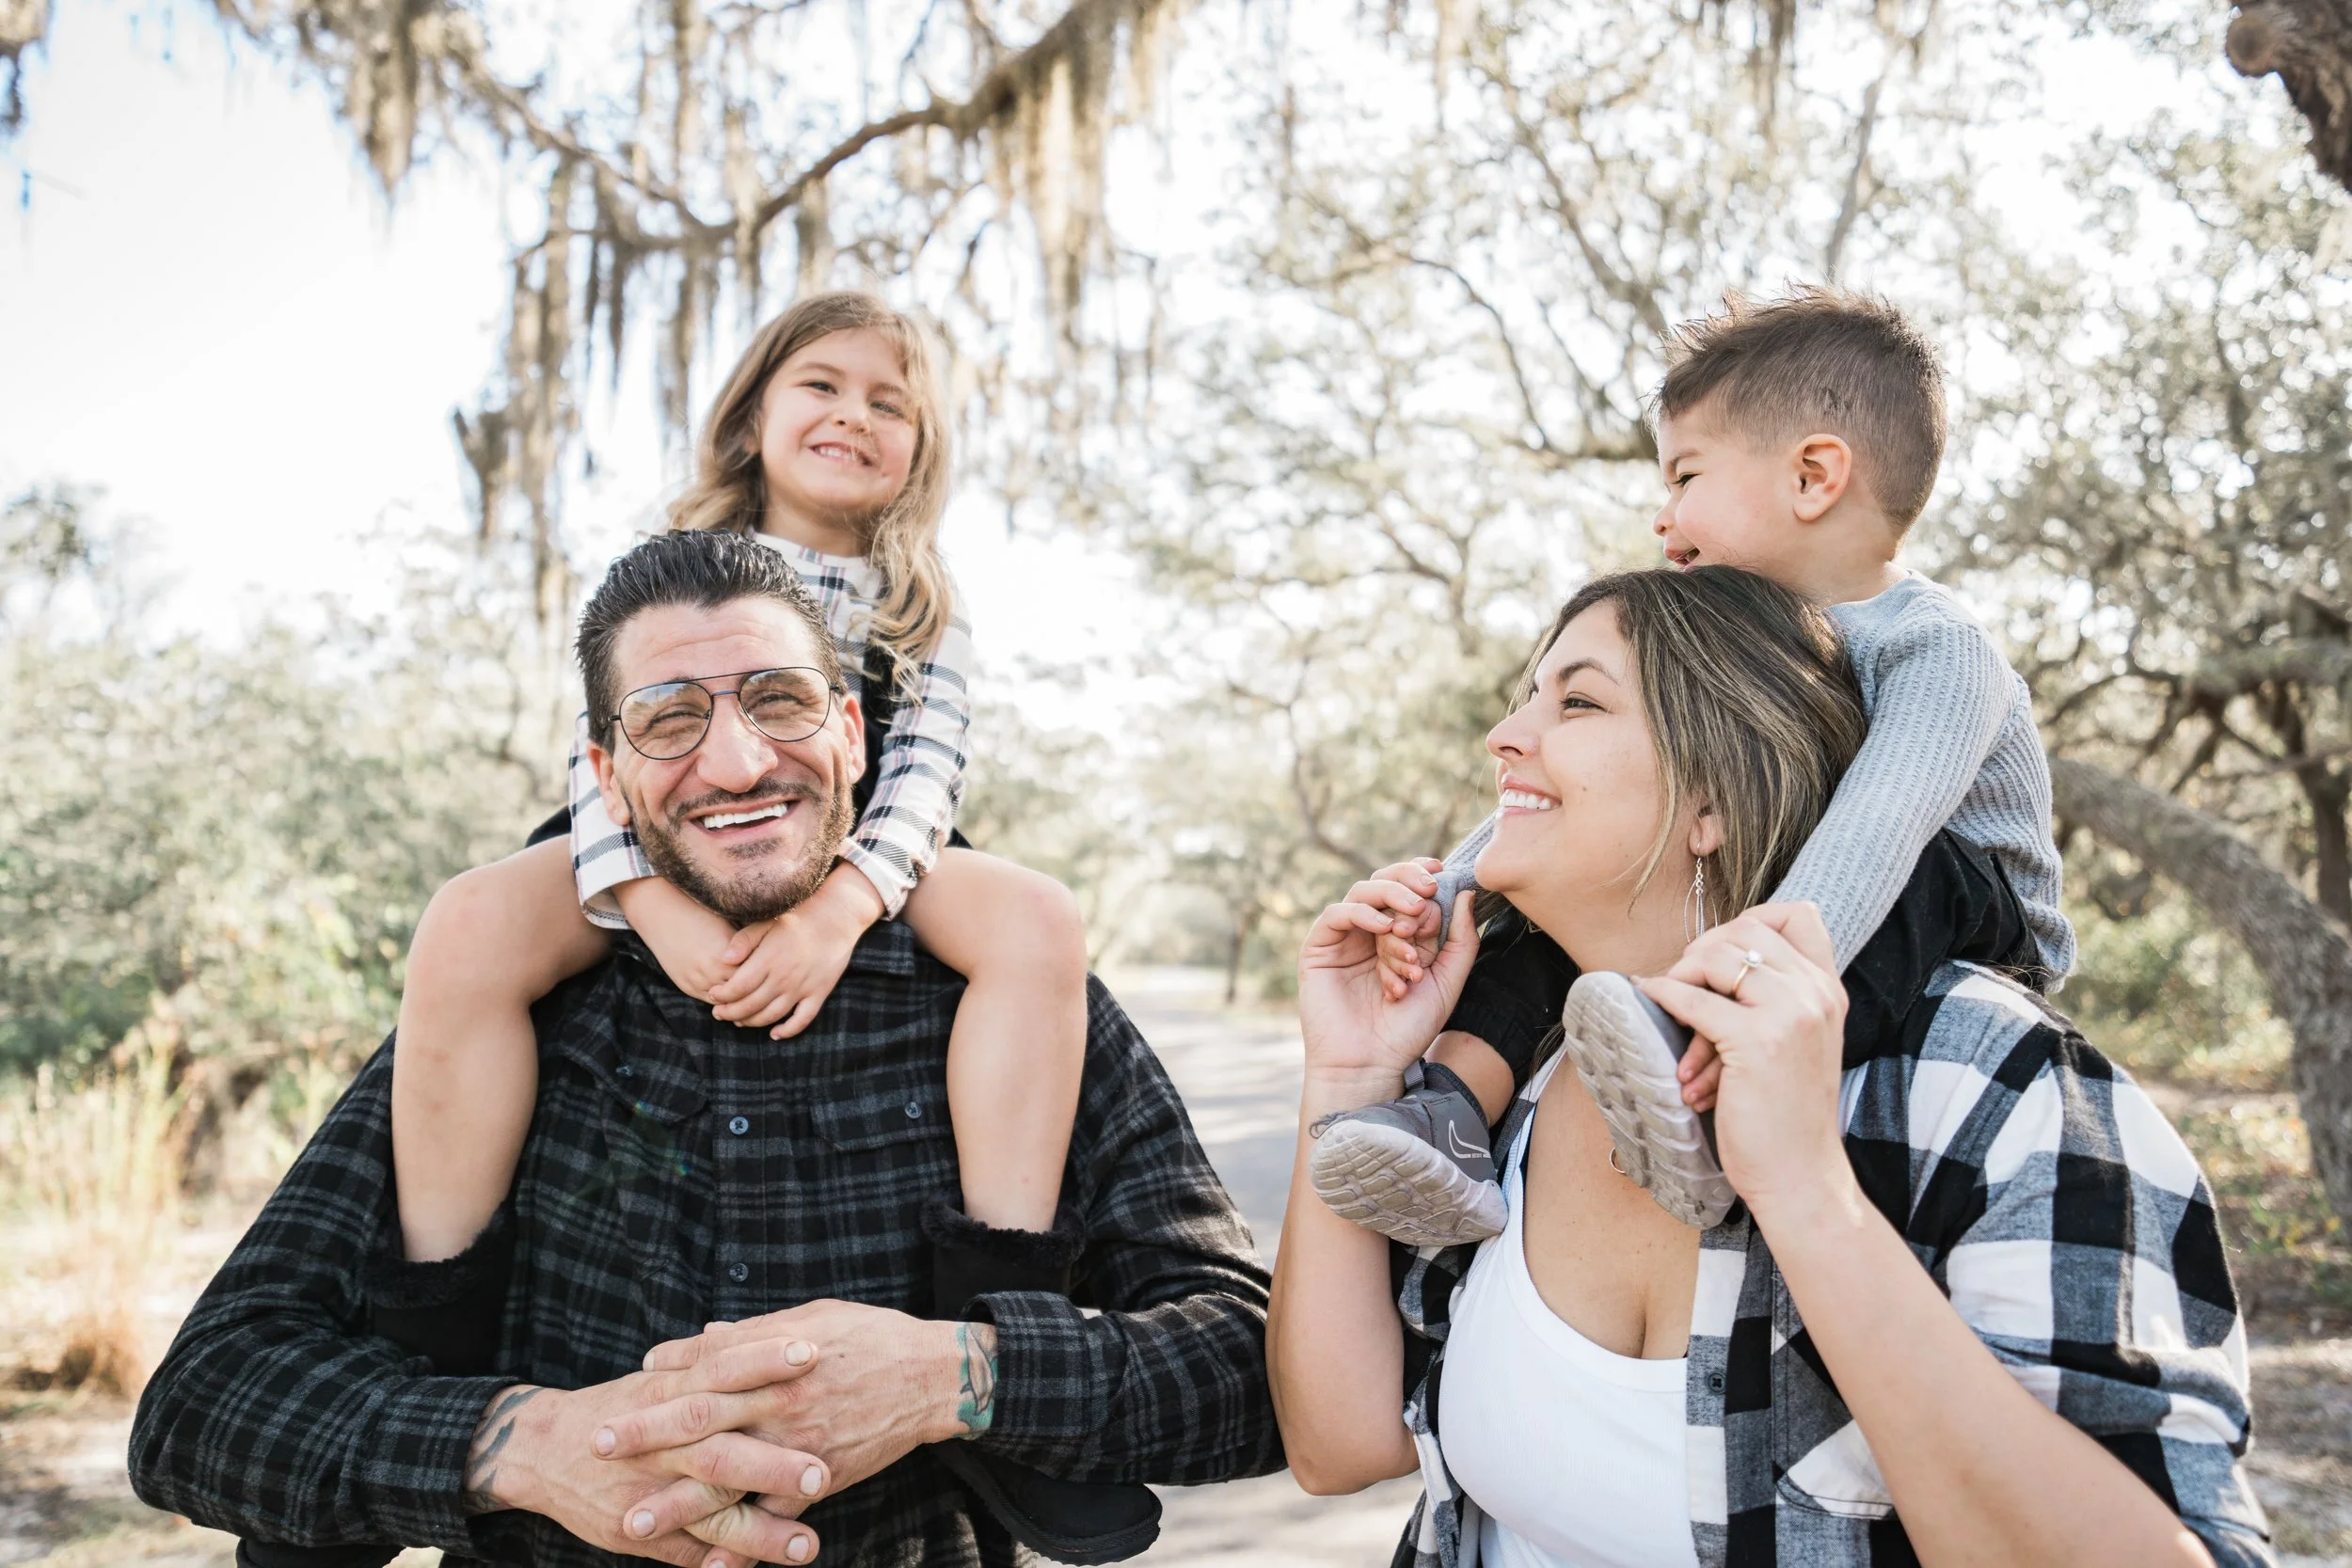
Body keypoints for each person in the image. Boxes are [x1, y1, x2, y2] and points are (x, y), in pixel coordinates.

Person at [130, 529, 1284, 1568]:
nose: (735, 763)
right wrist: (519, 1443)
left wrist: (957, 1378)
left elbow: (1255, 1369)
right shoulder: (509, 1016)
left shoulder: (1005, 996)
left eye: (779, 700)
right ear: (604, 776)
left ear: (850, 728)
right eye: (671, 718)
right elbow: (202, 1403)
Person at [1266, 565, 2271, 1568]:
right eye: (1523, 698)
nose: (1506, 735)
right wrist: (1351, 1073)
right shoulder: (1512, 1077)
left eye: (1576, 700)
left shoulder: (1983, 1083)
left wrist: (1804, 1189)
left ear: (1711, 799)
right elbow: (1338, 1444)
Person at [1311, 286, 2075, 1244]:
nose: (1664, 518)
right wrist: (1448, 891)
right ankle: (1447, 1115)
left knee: (1905, 874)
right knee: (1574, 881)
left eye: (1684, 477)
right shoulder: (1763, 650)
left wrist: (1721, 1005)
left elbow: (1873, 833)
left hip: (1958, 908)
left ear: (1812, 476)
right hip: (1802, 873)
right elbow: (1549, 799)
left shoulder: (1937, 645)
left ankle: (1708, 1103)